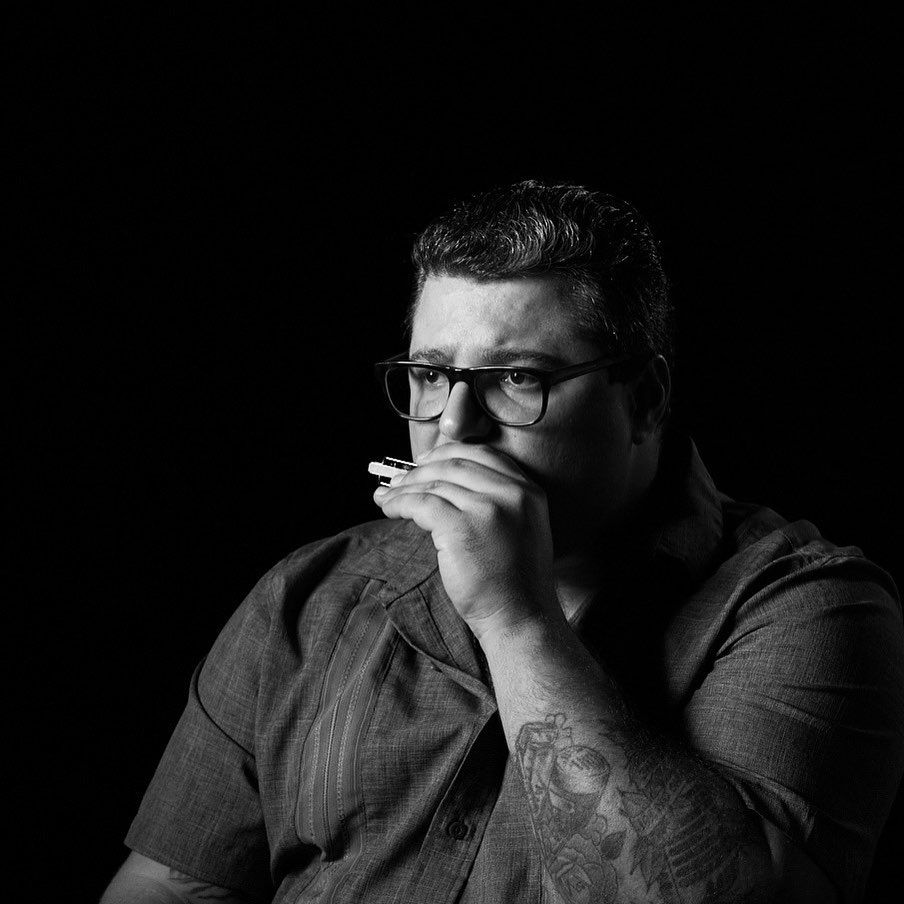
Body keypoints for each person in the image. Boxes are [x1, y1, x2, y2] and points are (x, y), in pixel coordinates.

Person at [101, 181, 904, 904]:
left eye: (518, 377)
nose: (453, 429)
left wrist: (515, 619)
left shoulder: (807, 605)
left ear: (646, 398)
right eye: (430, 375)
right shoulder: (311, 593)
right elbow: (172, 884)